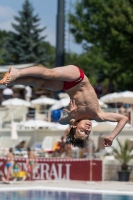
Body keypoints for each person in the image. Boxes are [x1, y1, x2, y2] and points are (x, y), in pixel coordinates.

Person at [0, 65, 128, 148]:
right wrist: (111, 136)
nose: (87, 129)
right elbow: (123, 119)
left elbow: (62, 122)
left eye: (82, 131)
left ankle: (14, 79)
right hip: (78, 78)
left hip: (66, 86)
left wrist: (70, 116)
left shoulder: (74, 119)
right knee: (48, 75)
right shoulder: (99, 115)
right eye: (87, 133)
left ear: (74, 126)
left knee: (43, 81)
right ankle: (16, 74)